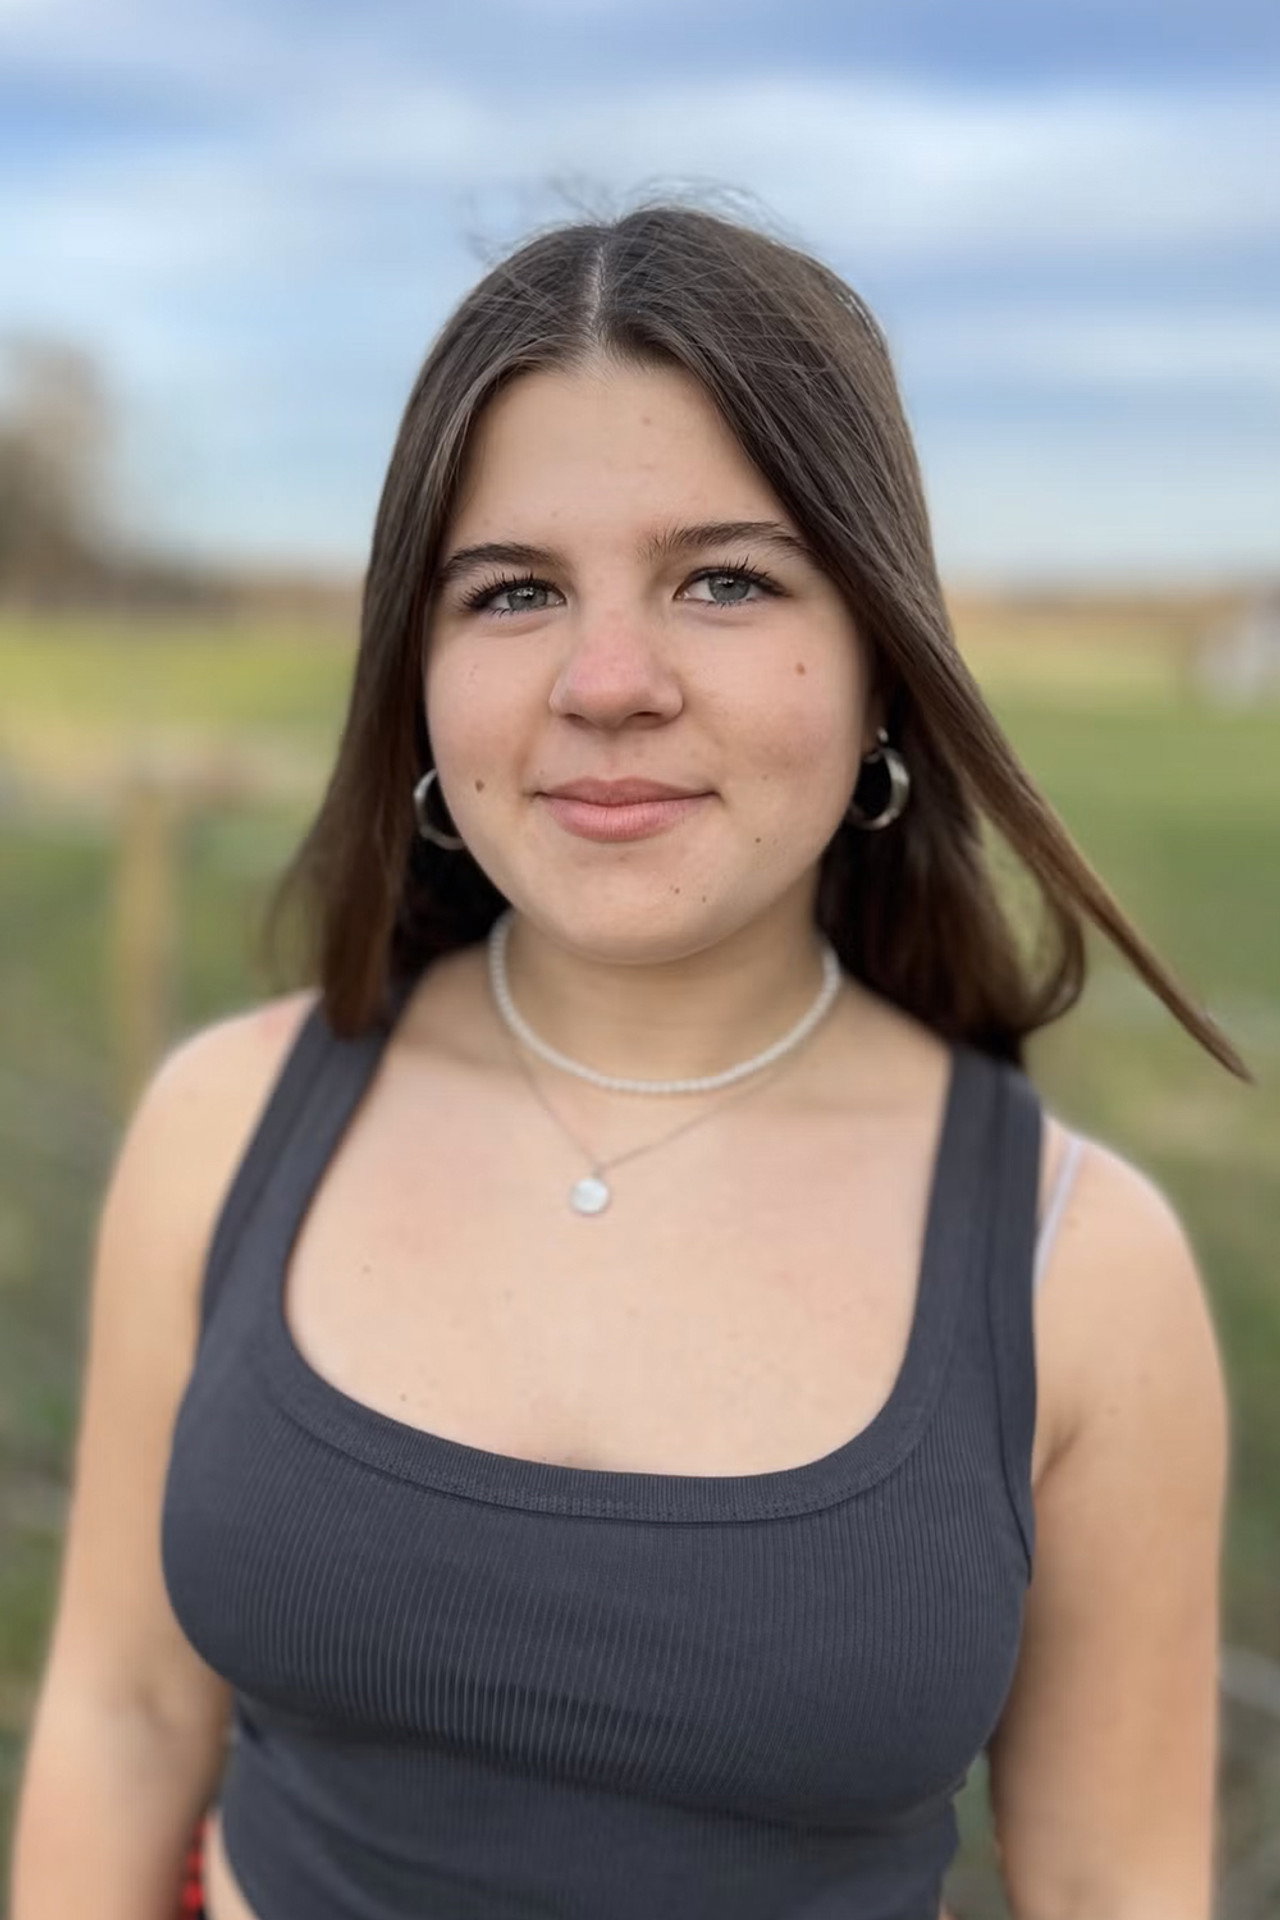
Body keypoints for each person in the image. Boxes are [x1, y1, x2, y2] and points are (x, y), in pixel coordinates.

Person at [10, 198, 1239, 1920]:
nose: (606, 682)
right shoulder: (226, 1125)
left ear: (885, 664)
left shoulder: (1078, 1269)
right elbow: (126, 1717)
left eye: (725, 580)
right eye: (513, 591)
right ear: (420, 672)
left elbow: (1114, 1883)